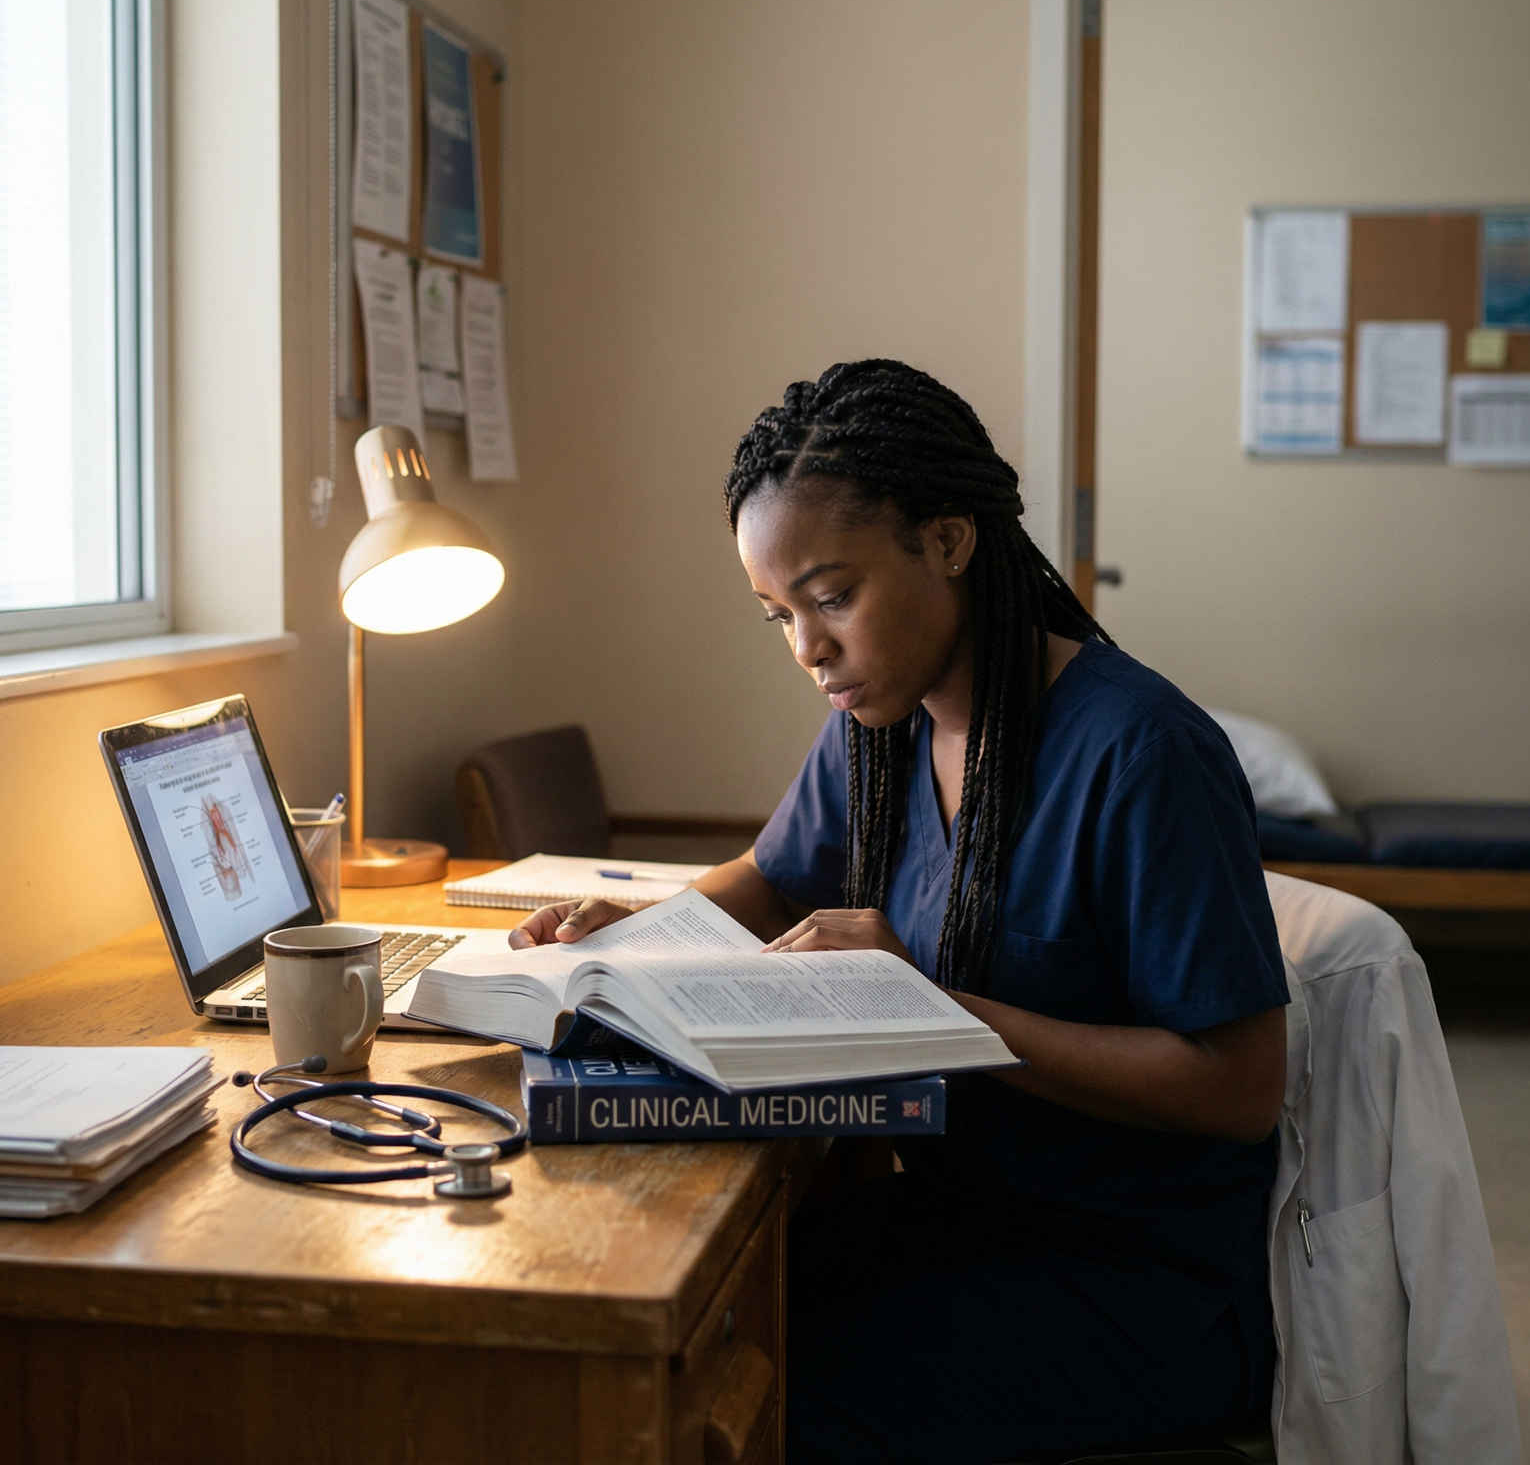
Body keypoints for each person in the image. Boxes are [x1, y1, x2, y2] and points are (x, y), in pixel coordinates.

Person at [511, 360, 1290, 1463]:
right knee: (653, 1331)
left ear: (949, 540)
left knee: (760, 1402)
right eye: (777, 613)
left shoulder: (1139, 752)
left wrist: (933, 1007)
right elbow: (777, 876)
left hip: (1133, 1283)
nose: (807, 649)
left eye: (833, 597)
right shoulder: (884, 725)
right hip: (955, 1217)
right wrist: (620, 936)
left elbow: (1241, 1086)